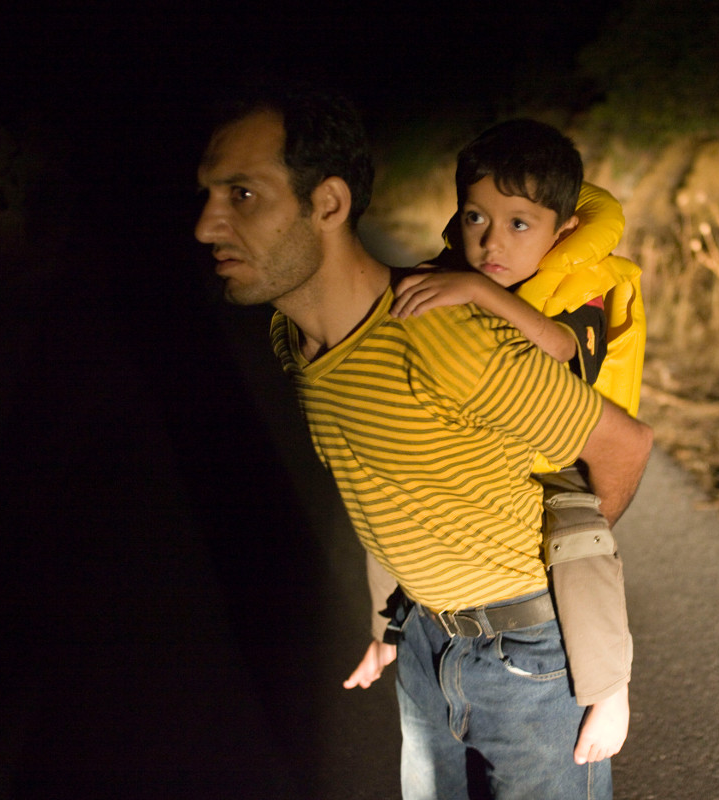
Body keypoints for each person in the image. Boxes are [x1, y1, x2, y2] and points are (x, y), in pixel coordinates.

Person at [193, 88, 653, 799]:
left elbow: (621, 446)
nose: (206, 225)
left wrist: (567, 557)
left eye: (243, 193)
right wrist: (391, 625)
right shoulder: (295, 343)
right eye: (210, 194)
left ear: (329, 203)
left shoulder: (448, 335)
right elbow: (384, 487)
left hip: (528, 660)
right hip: (423, 644)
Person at [388, 118, 646, 764]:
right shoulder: (461, 270)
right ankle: (389, 619)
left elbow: (557, 345)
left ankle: (610, 687)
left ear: (560, 234)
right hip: (483, 462)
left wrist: (476, 290)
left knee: (575, 533)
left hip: (555, 463)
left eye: (518, 225)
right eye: (476, 219)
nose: (490, 243)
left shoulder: (574, 291)